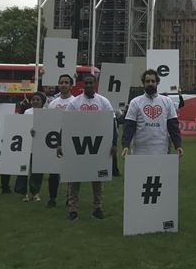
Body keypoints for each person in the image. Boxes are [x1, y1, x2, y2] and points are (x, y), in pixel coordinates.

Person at [65, 73, 116, 221]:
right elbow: (66, 123)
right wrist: (62, 143)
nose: (88, 85)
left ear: (95, 84)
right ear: (82, 84)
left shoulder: (103, 102)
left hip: (98, 144)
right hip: (79, 144)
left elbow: (111, 123)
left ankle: (97, 208)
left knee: (97, 177)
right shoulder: (75, 102)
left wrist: (113, 143)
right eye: (86, 83)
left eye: (91, 83)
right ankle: (73, 209)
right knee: (75, 177)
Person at [121, 69, 183, 158]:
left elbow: (173, 126)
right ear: (143, 83)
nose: (150, 83)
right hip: (140, 150)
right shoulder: (135, 102)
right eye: (147, 81)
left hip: (162, 149)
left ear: (157, 83)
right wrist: (125, 145)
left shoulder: (167, 101)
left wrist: (178, 145)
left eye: (153, 81)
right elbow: (129, 126)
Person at [43, 74, 74, 208]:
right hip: (54, 141)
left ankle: (70, 198)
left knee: (70, 172)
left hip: (70, 139)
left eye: (66, 82)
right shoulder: (53, 103)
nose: (63, 85)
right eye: (61, 82)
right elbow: (46, 121)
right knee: (53, 172)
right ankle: (52, 198)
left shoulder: (75, 102)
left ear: (71, 85)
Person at [16, 92, 46, 202]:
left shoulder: (46, 112)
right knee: (23, 169)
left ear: (42, 101)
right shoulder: (27, 112)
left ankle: (35, 192)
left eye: (38, 100)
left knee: (37, 170)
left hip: (40, 144)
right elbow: (23, 126)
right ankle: (23, 192)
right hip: (27, 143)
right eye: (33, 99)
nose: (35, 102)